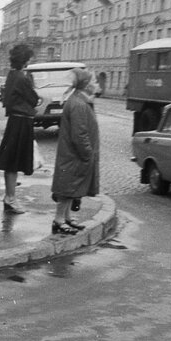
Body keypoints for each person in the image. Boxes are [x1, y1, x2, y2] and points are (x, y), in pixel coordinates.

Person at [0, 43, 39, 214]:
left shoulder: (12, 75)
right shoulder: (22, 78)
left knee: (11, 161)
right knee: (14, 162)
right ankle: (10, 198)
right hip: (21, 122)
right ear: (25, 60)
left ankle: (9, 197)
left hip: (15, 121)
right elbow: (34, 100)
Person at [51, 68, 101, 234]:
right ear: (86, 85)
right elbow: (79, 134)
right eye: (94, 81)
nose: (96, 84)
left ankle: (67, 217)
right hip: (75, 155)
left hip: (73, 154)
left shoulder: (80, 101)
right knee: (68, 187)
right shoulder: (78, 104)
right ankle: (59, 219)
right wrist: (88, 153)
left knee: (71, 186)